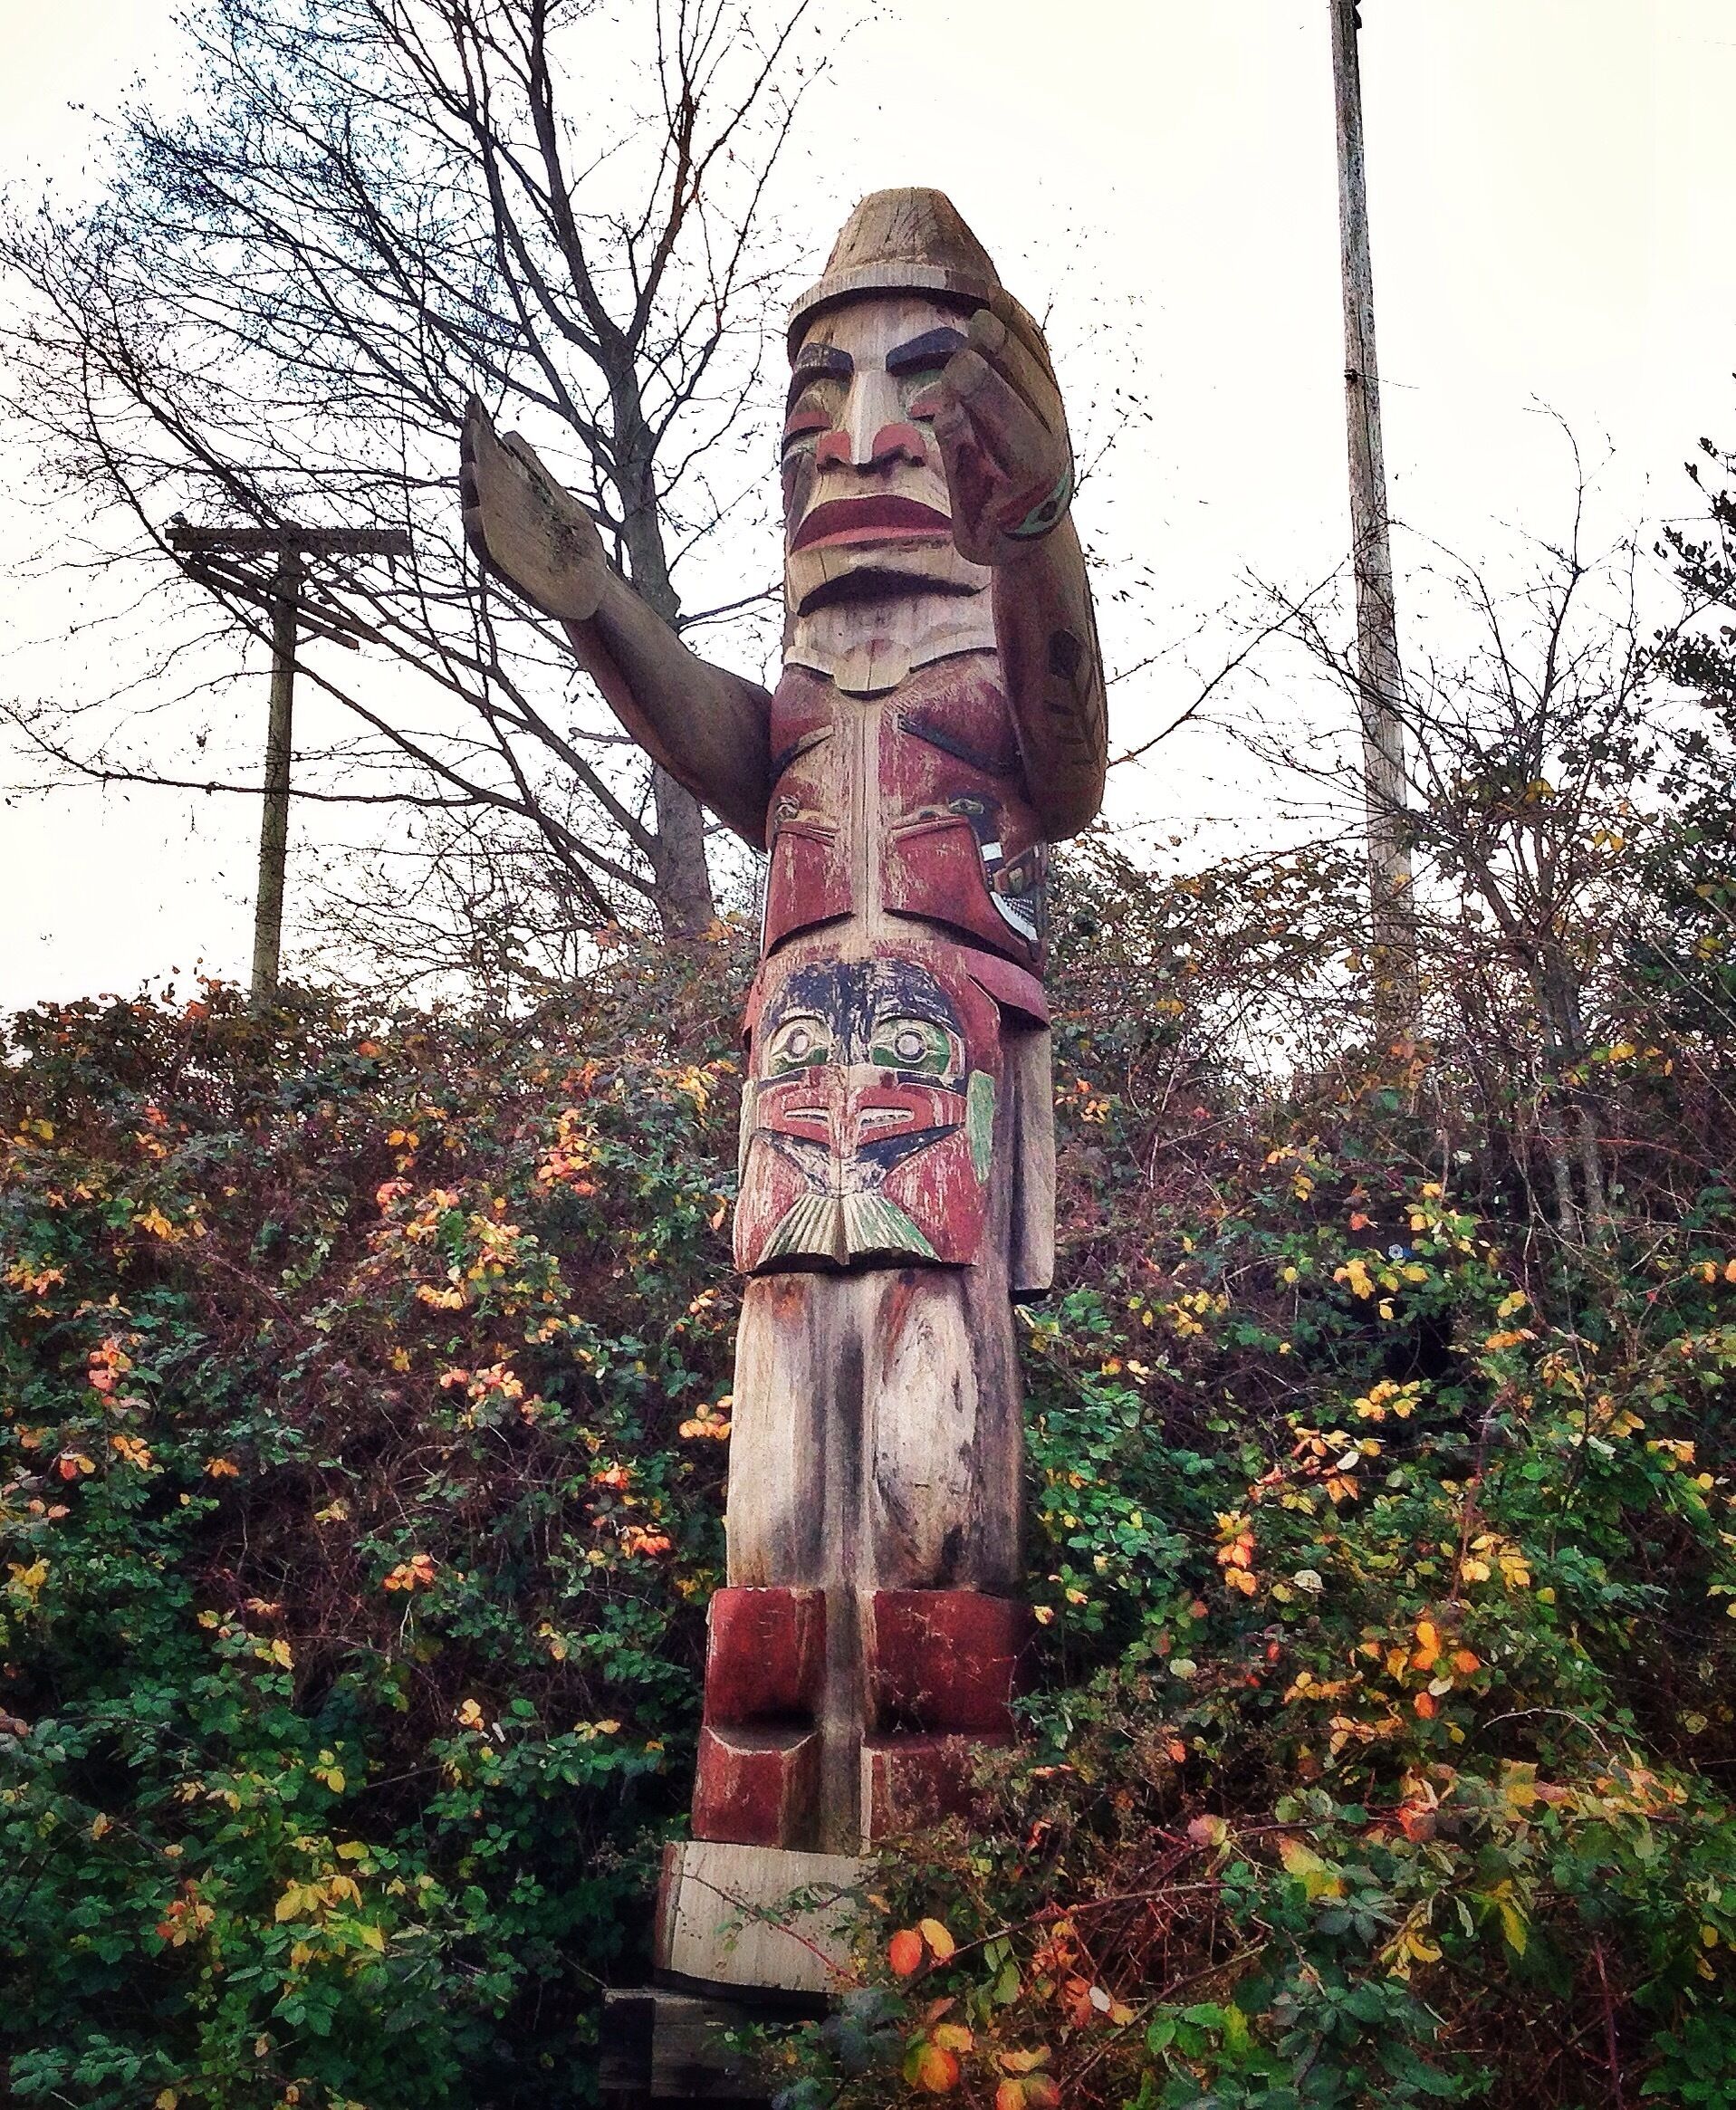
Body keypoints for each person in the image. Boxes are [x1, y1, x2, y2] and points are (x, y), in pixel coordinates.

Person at [461, 186, 1107, 1970]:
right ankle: (755, 1875)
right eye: (818, 393)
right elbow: (717, 737)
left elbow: (1070, 761)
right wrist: (593, 599)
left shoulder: (990, 651)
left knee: (923, 1480)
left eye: (919, 378)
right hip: (793, 1099)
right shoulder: (805, 686)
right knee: (770, 1513)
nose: (864, 432)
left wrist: (1035, 525)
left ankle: (922, 1896)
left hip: (939, 1098)